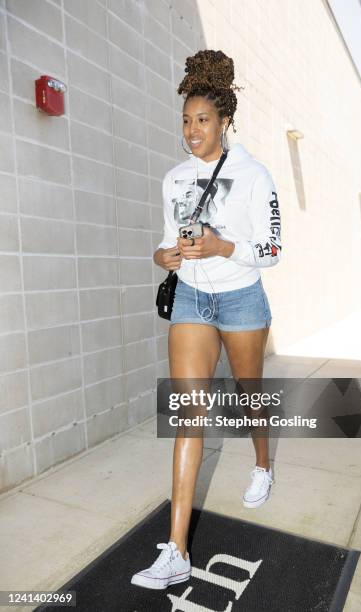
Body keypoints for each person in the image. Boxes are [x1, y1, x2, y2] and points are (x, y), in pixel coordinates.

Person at [131, 49, 282, 591]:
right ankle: (177, 550)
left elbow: (271, 249)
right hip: (193, 301)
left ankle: (263, 462)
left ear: (224, 122)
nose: (192, 130)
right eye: (186, 121)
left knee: (248, 396)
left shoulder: (252, 174)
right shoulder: (173, 180)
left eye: (202, 120)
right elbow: (164, 240)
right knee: (188, 413)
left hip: (241, 300)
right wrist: (163, 256)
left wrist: (220, 246)